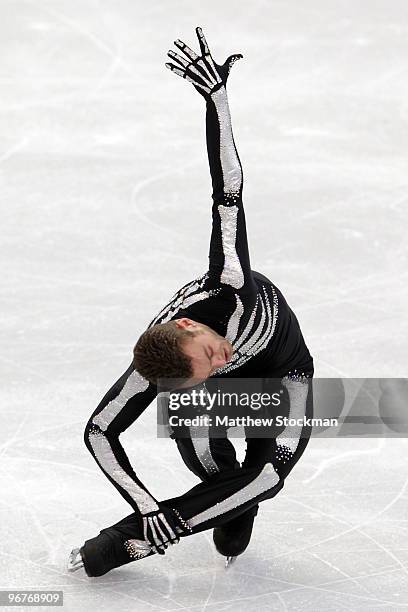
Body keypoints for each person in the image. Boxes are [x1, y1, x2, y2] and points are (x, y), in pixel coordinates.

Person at [68, 27, 314, 577]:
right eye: (202, 375)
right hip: (227, 398)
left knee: (267, 476)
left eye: (209, 355)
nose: (219, 361)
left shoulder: (227, 282)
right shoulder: (159, 367)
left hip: (285, 373)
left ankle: (124, 542)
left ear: (187, 326)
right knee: (209, 461)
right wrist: (144, 501)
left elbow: (227, 189)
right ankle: (226, 499)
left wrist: (218, 102)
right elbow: (98, 430)